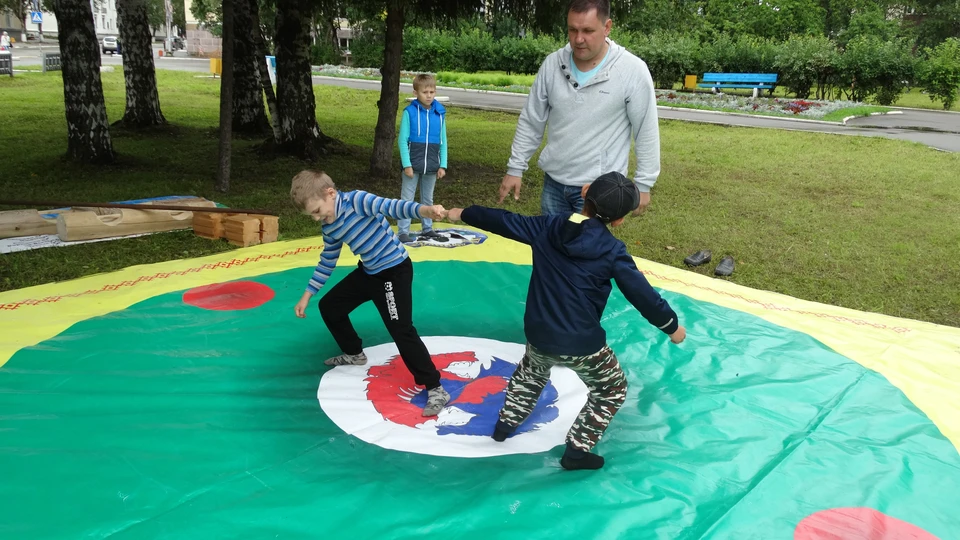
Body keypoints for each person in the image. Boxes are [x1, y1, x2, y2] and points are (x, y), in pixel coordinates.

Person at [447, 171, 686, 470]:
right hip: (582, 343)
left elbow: (503, 220)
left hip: (539, 333)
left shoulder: (548, 226)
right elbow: (643, 295)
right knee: (612, 389)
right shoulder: (613, 251)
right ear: (619, 220)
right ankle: (577, 449)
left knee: (531, 374)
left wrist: (463, 213)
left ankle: (504, 427)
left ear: (585, 192)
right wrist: (672, 327)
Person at [290, 170, 451, 416]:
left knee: (401, 330)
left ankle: (435, 387)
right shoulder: (329, 226)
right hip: (370, 272)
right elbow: (327, 261)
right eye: (312, 215)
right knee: (331, 306)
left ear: (330, 193)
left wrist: (425, 210)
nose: (316, 218)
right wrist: (307, 294)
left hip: (394, 272)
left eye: (316, 211)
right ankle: (354, 353)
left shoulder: (357, 201)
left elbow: (394, 207)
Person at [498, 0, 660, 217]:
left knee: (586, 250)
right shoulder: (552, 65)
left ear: (607, 27)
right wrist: (515, 168)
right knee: (551, 248)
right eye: (572, 30)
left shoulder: (632, 71)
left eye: (587, 30)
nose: (578, 39)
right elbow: (531, 120)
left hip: (599, 191)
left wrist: (644, 184)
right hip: (553, 185)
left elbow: (646, 129)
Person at [397, 73, 448, 244]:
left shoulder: (440, 113)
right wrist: (406, 164)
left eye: (432, 92)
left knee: (428, 199)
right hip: (412, 164)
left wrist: (443, 165)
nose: (429, 95)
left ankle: (427, 228)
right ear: (415, 93)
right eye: (425, 92)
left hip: (432, 165)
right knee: (407, 200)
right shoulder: (409, 112)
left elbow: (443, 141)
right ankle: (403, 231)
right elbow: (402, 140)